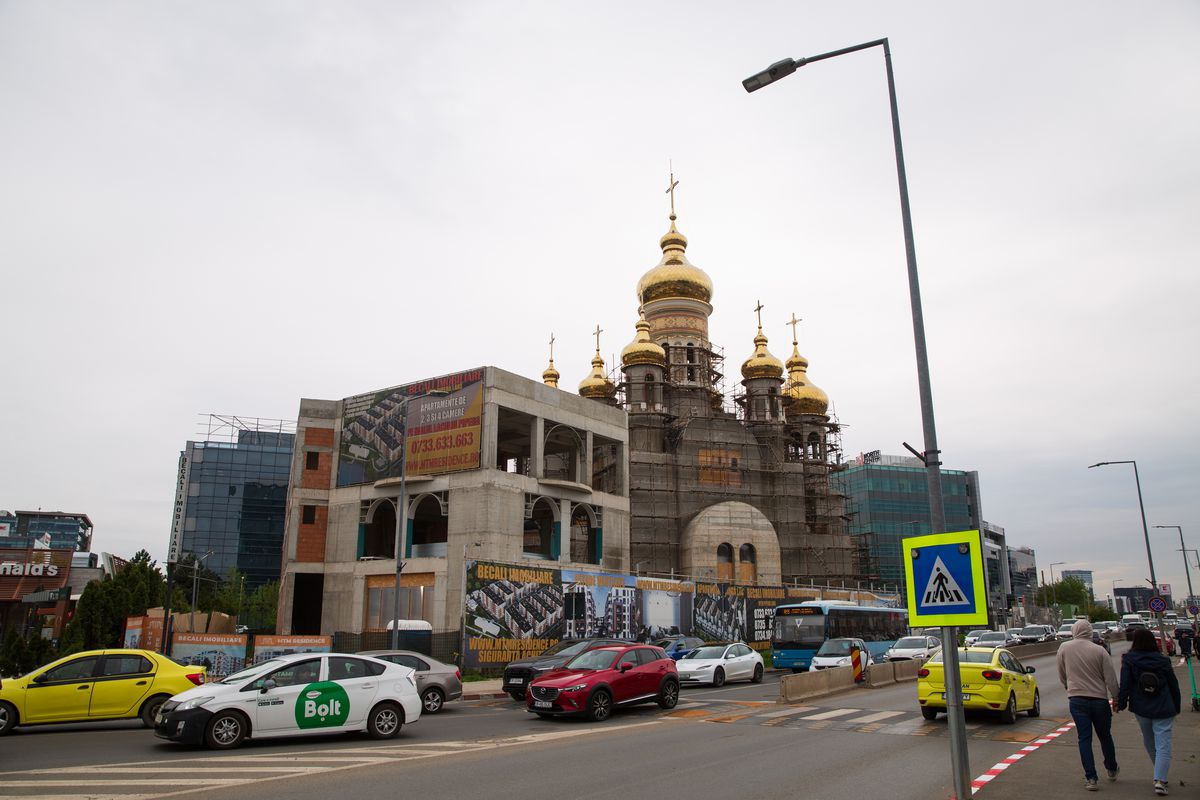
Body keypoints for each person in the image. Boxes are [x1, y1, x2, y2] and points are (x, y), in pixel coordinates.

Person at [1057, 619, 1121, 791]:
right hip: (1099, 700)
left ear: (1074, 630)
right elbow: (1111, 678)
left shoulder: (1064, 648)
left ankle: (1091, 778)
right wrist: (1115, 698)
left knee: (1084, 739)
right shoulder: (1099, 650)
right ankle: (1112, 768)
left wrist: (1068, 686)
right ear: (1090, 631)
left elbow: (1062, 673)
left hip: (1077, 700)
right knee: (1105, 736)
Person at [1118, 628, 1181, 796]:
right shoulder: (1163, 660)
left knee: (1149, 742)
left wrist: (1121, 703)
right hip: (1164, 706)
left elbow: (1125, 684)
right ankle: (1160, 779)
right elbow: (1173, 684)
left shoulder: (1129, 659)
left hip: (1141, 707)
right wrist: (1177, 705)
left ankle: (1160, 776)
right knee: (1163, 744)